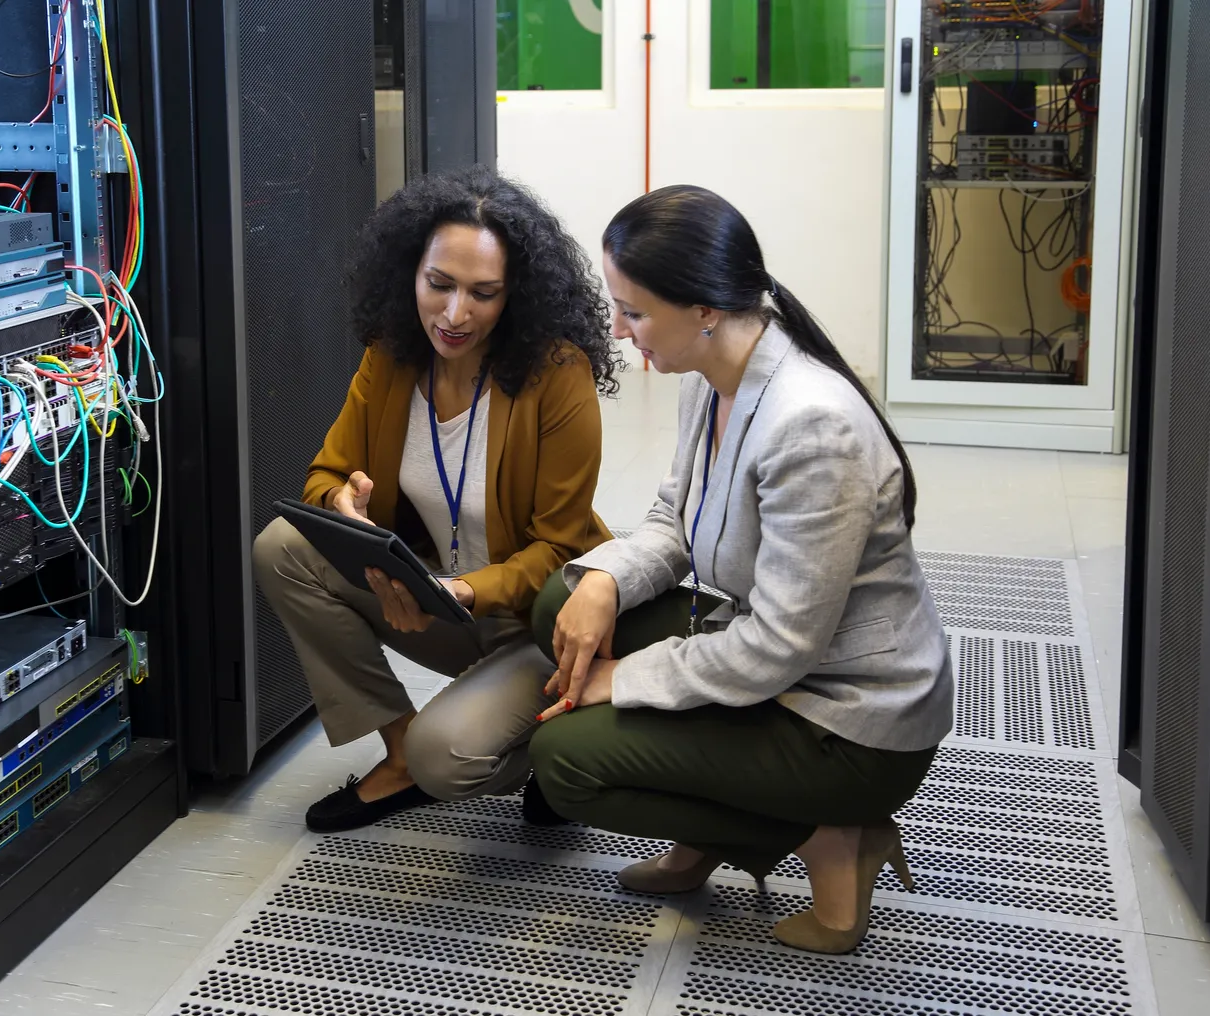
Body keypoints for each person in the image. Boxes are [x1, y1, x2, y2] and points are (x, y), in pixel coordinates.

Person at [527, 185, 954, 956]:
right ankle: (707, 824)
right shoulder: (712, 377)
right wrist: (603, 584)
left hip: (848, 722)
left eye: (634, 312)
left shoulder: (810, 426)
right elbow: (673, 523)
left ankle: (833, 836)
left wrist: (620, 679)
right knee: (560, 603)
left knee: (564, 764)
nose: (621, 334)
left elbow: (778, 648)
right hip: (786, 663)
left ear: (705, 310)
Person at [253, 166, 619, 833]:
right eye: (439, 285)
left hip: (535, 620)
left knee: (446, 758)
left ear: (517, 296)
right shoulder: (391, 356)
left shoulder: (556, 373)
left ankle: (551, 753)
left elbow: (562, 546)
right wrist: (346, 505)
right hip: (434, 599)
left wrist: (466, 591)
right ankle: (399, 756)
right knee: (283, 549)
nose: (454, 315)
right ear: (409, 273)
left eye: (484, 294)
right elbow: (323, 476)